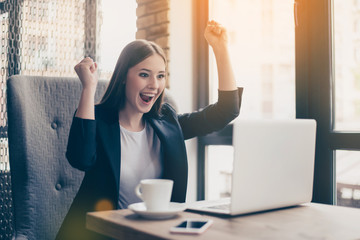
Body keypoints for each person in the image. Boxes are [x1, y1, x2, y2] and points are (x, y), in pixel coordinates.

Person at [56, 20, 243, 240]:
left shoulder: (167, 121)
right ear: (124, 77)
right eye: (144, 74)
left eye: (161, 75)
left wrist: (220, 48)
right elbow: (80, 159)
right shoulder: (98, 121)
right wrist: (88, 88)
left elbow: (227, 111)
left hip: (156, 234)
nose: (154, 84)